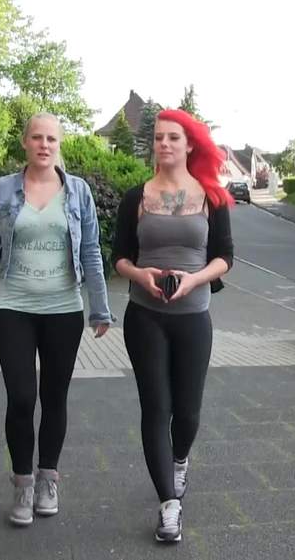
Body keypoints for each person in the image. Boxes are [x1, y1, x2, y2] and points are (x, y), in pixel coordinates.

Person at [0, 112, 114, 526]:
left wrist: (100, 306)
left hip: (63, 309)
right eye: (36, 137)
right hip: (13, 306)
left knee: (54, 397)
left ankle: (48, 478)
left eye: (51, 138)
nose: (44, 145)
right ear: (25, 142)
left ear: (59, 144)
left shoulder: (78, 191)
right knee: (20, 398)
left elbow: (91, 251)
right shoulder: (3, 189)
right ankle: (23, 484)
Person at [111, 108, 234, 543]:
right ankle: (169, 504)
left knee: (188, 411)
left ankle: (180, 458)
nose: (163, 143)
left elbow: (225, 257)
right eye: (159, 137)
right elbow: (119, 255)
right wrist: (140, 274)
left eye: (173, 138)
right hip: (145, 316)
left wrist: (195, 279)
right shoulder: (136, 197)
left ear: (189, 144)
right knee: (155, 408)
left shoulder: (212, 197)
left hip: (193, 317)